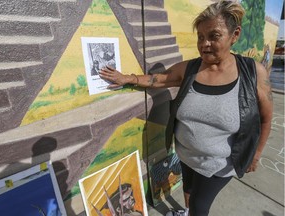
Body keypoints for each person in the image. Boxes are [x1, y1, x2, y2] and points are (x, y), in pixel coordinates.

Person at [99, 1, 273, 216]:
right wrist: (127, 78)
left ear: (234, 35)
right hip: (186, 157)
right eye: (200, 36)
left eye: (214, 36)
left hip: (219, 165)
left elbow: (265, 118)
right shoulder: (190, 68)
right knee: (189, 190)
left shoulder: (253, 73)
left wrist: (255, 155)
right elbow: (159, 79)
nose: (204, 44)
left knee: (200, 208)